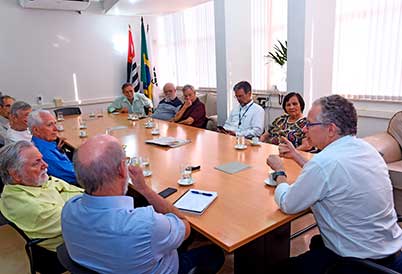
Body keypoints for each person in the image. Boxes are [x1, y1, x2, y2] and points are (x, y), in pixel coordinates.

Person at [266, 95, 402, 274]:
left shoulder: (324, 163)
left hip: (356, 262)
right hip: (389, 253)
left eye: (310, 124)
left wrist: (279, 172)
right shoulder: (367, 150)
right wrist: (295, 154)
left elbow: (287, 203)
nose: (305, 129)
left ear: (330, 129)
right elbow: (329, 177)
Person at [61, 134, 224, 274]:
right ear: (121, 170)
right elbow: (185, 225)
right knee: (215, 253)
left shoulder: (69, 209)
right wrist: (145, 189)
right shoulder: (147, 224)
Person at [0, 141, 83, 253]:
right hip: (70, 247)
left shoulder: (32, 181)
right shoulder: (31, 206)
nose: (45, 165)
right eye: (36, 163)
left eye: (42, 159)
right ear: (16, 175)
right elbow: (83, 219)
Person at [29, 109, 77, 184]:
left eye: (55, 123)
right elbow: (74, 174)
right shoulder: (43, 153)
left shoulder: (45, 143)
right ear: (36, 130)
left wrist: (60, 152)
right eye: (49, 125)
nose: (56, 129)